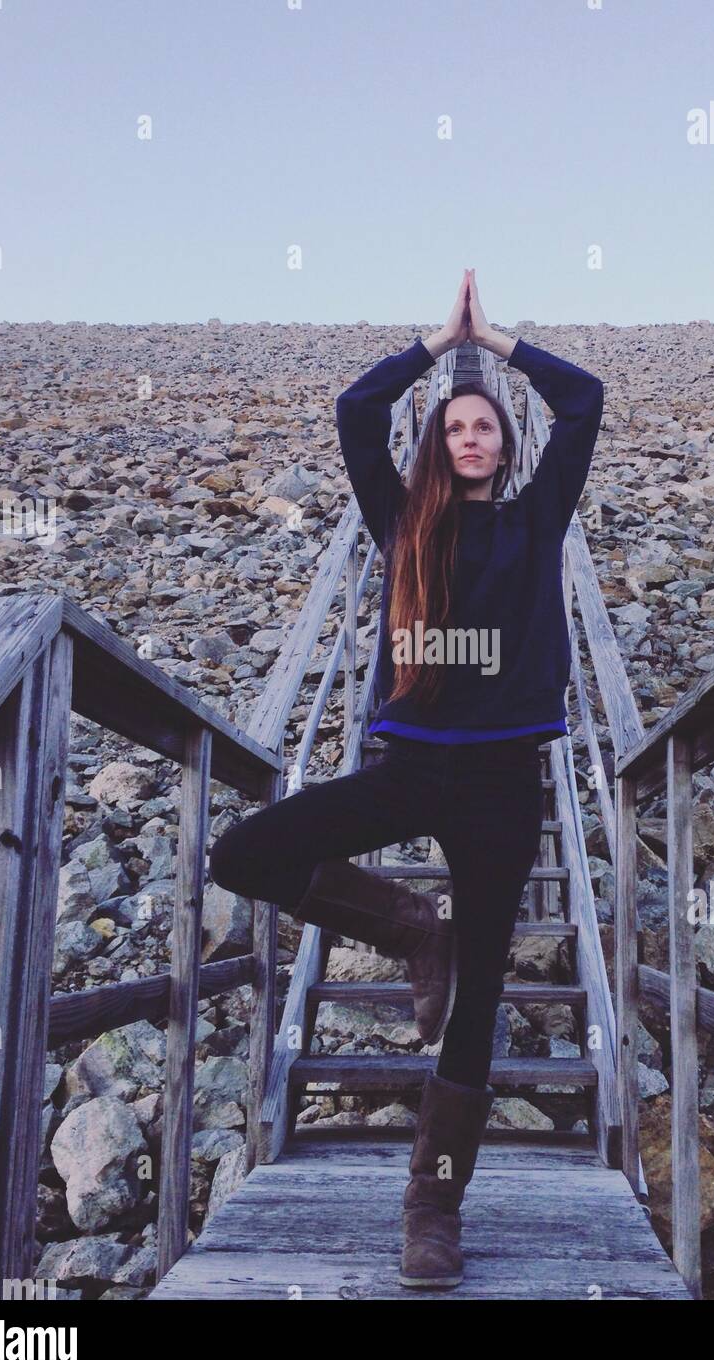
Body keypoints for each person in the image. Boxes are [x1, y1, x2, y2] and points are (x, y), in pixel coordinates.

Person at [208, 269, 605, 1289]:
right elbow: (354, 410)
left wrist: (501, 344)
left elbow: (584, 400)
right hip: (412, 763)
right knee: (244, 851)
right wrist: (436, 346)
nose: (471, 436)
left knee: (474, 1002)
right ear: (437, 445)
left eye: (485, 427)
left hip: (504, 780)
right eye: (455, 427)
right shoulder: (401, 522)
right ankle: (402, 925)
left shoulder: (535, 520)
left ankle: (431, 1207)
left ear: (506, 446)